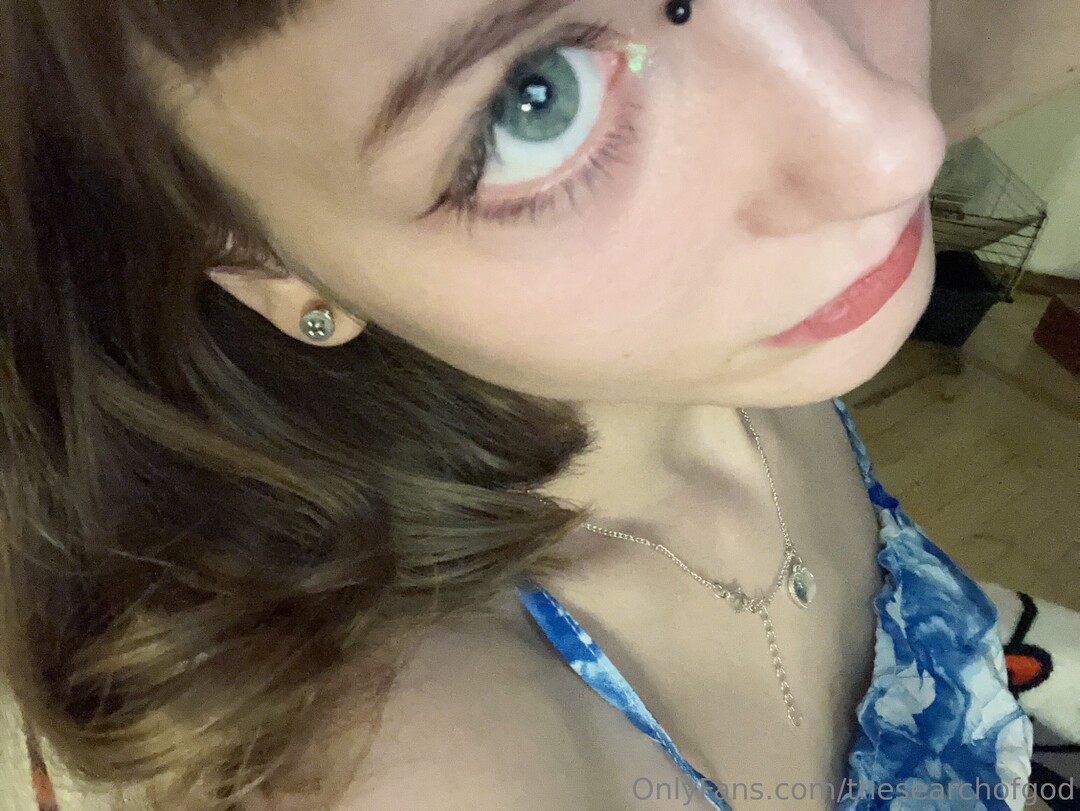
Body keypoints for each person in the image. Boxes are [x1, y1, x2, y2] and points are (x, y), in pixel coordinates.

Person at [0, 1, 1077, 809]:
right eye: (538, 99)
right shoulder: (433, 756)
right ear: (260, 260)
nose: (892, 144)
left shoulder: (722, 315)